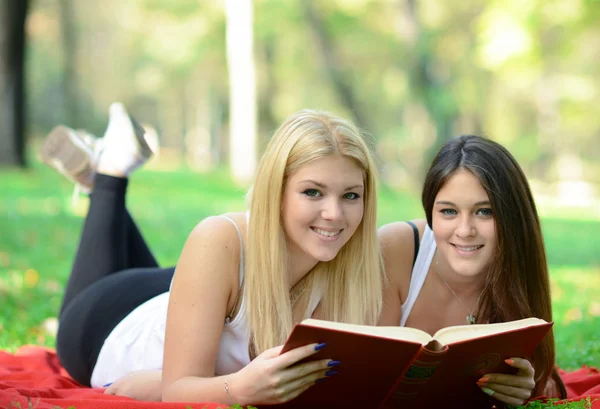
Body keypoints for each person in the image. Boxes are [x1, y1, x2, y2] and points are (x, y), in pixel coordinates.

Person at [46, 104, 384, 406]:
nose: (334, 214)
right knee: (216, 255)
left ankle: (96, 175)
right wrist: (228, 388)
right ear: (275, 191)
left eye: (351, 196)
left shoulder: (353, 262)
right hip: (105, 323)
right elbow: (180, 391)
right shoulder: (220, 238)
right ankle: (108, 175)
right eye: (313, 192)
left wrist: (165, 384)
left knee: (216, 272)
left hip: (183, 295)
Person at [378, 135, 567, 407]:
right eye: (449, 212)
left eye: (485, 211)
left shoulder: (517, 272)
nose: (465, 230)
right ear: (431, 212)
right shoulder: (396, 248)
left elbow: (540, 378)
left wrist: (524, 389)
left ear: (512, 216)